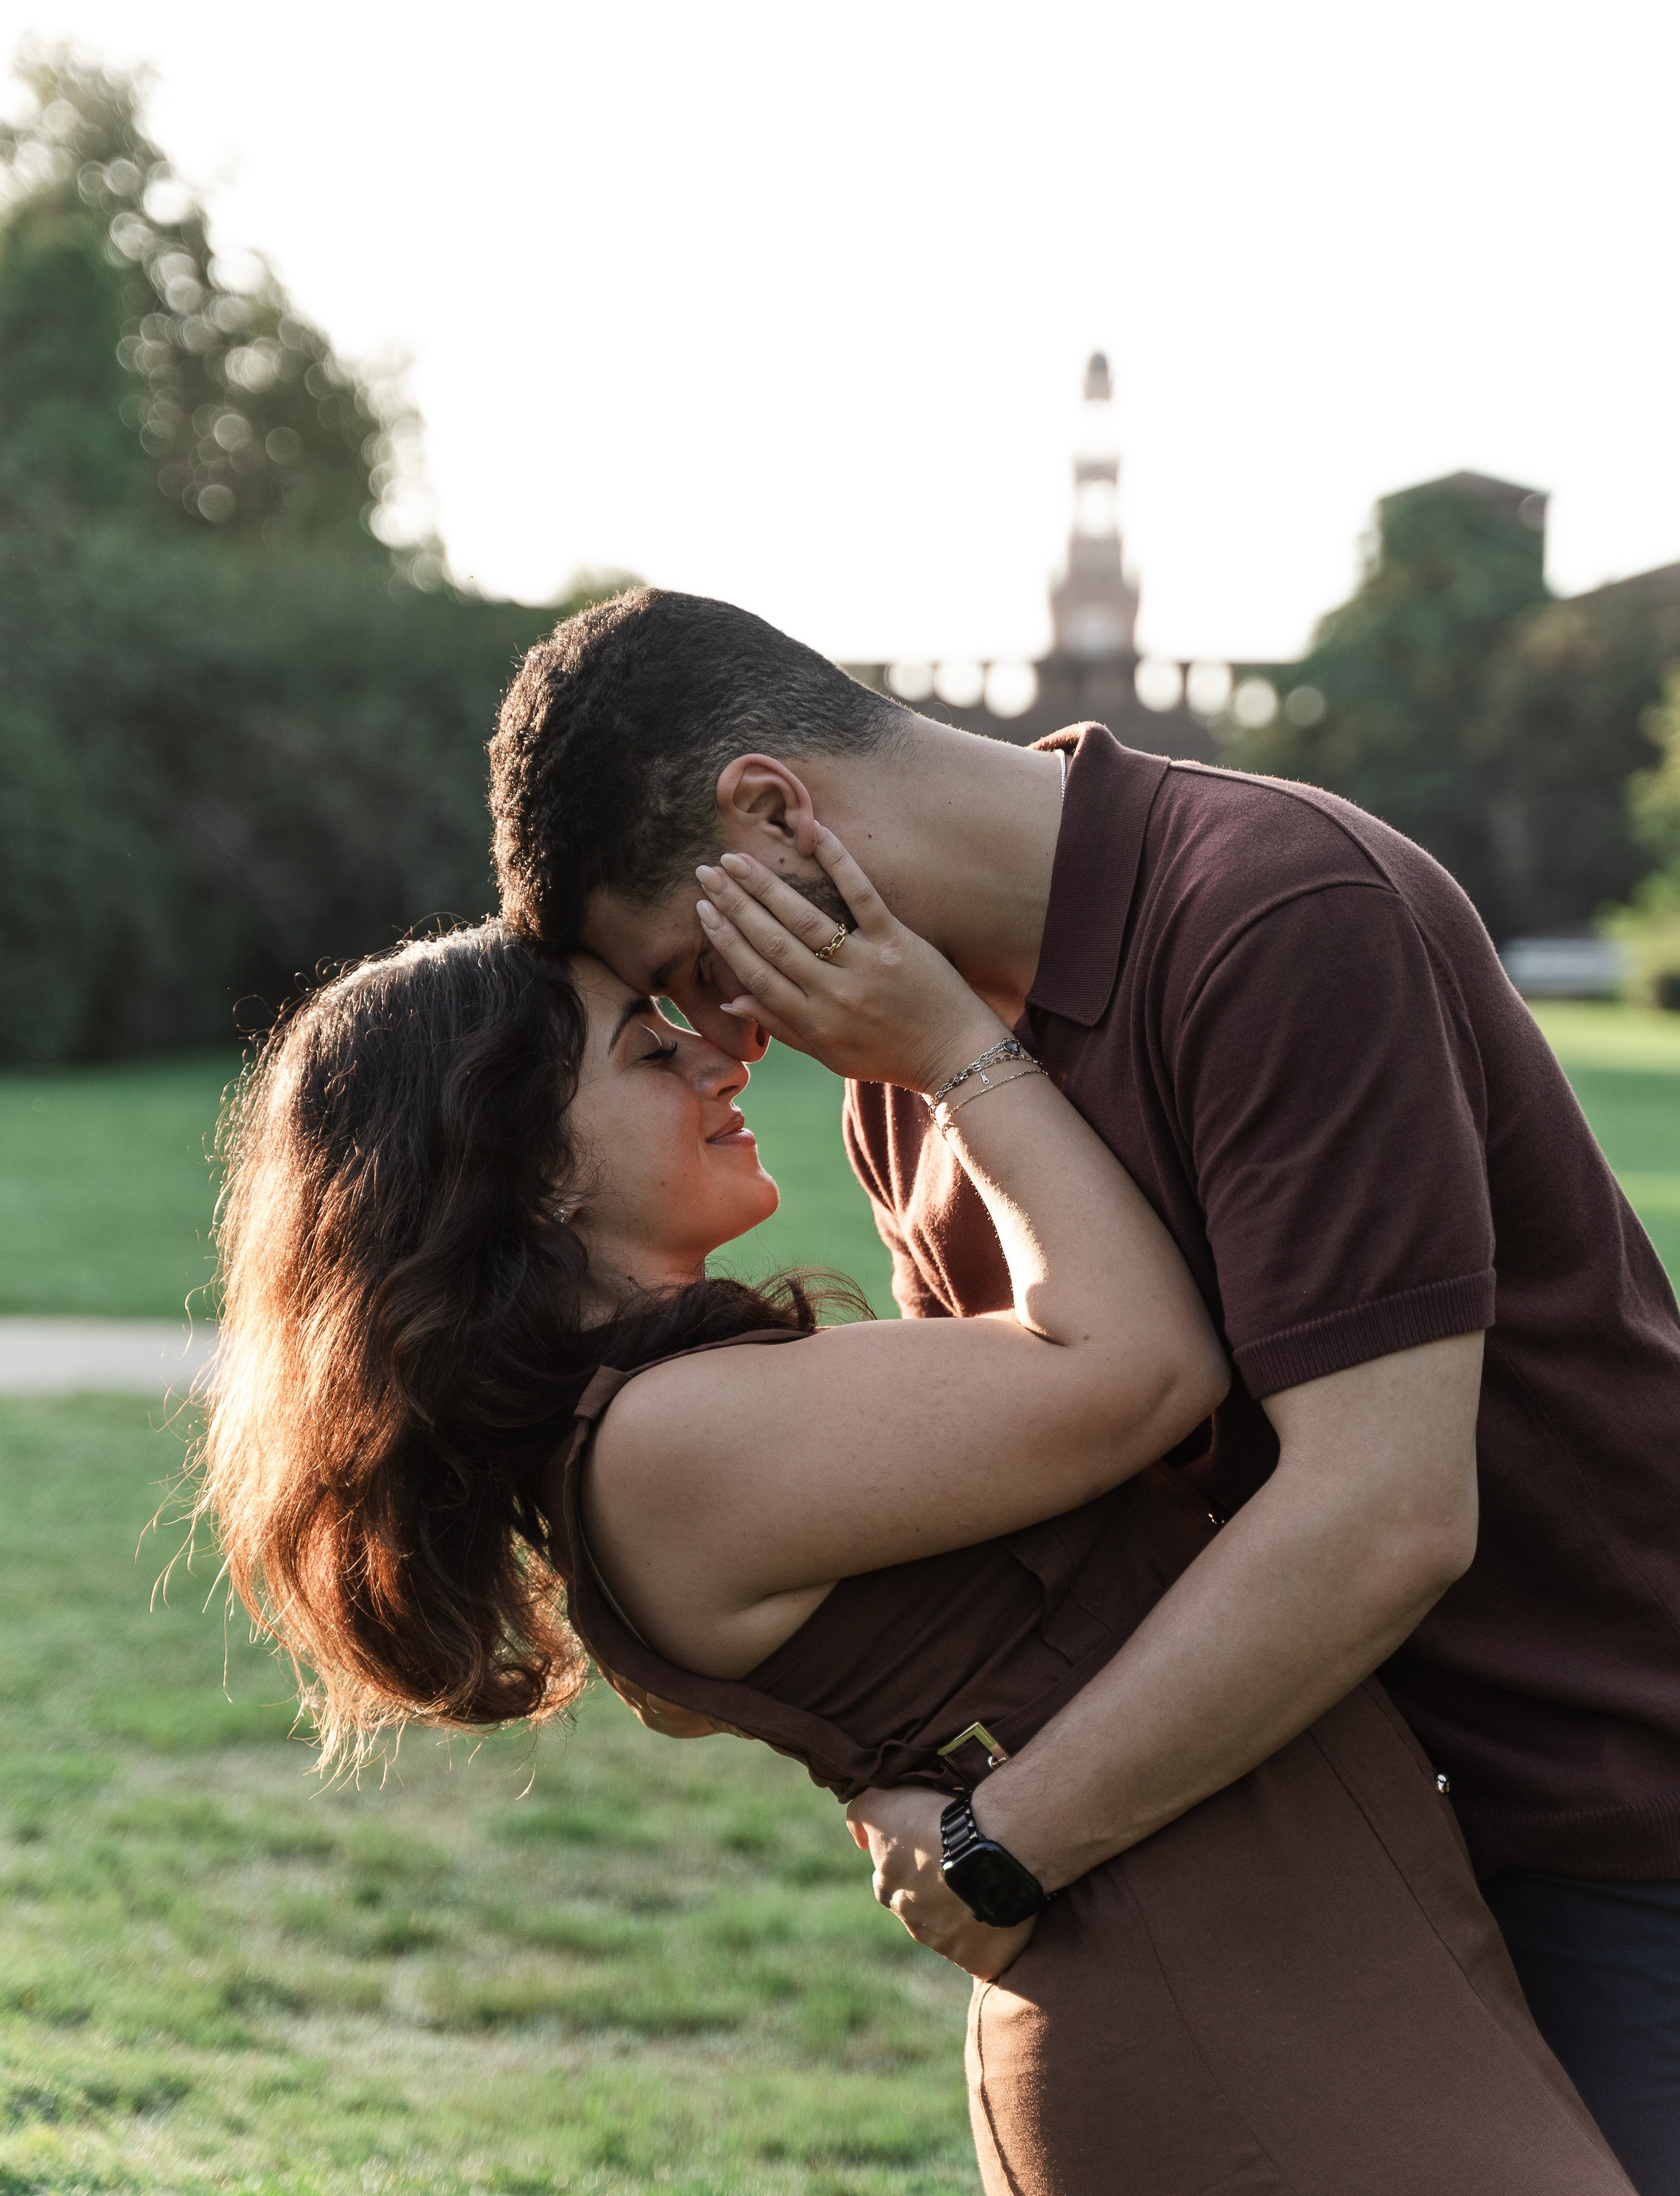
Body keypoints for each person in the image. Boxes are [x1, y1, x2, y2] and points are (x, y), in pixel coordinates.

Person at [489, 585, 1680, 2196]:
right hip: (1314, 1862)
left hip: (1606, 1826)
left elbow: (1383, 1511)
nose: (726, 1038)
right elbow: (1009, 1535)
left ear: (772, 810)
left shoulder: (1272, 915)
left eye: (703, 966)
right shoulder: (903, 1083)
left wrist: (1001, 1841)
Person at [196, 865, 1628, 2193]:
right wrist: (950, 1046)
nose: (719, 1056)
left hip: (1310, 1986)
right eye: (649, 1048)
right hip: (1241, 2034)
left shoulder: (667, 1428)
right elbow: (1139, 1367)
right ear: (533, 1173)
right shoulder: (661, 1442)